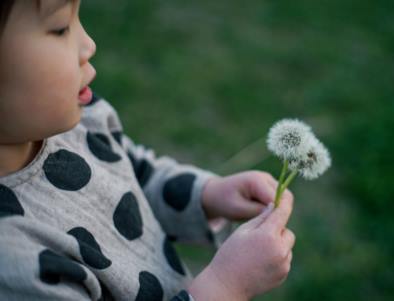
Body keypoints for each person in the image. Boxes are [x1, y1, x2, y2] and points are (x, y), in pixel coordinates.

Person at [0, 1, 296, 300]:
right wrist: (226, 286)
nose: (89, 44)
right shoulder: (16, 266)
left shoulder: (82, 121)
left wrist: (208, 195)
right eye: (61, 27)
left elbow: (133, 172)